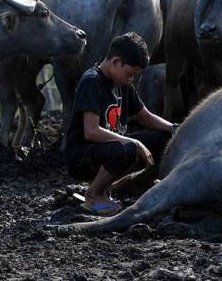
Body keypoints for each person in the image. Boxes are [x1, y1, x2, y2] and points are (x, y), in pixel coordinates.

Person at [64, 32, 176, 216]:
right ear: (115, 62)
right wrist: (134, 143)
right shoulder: (92, 81)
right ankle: (93, 194)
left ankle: (115, 187)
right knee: (129, 148)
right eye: (130, 74)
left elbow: (145, 116)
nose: (132, 79)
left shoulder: (123, 83)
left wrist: (174, 128)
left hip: (109, 148)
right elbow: (91, 132)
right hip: (83, 155)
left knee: (162, 138)